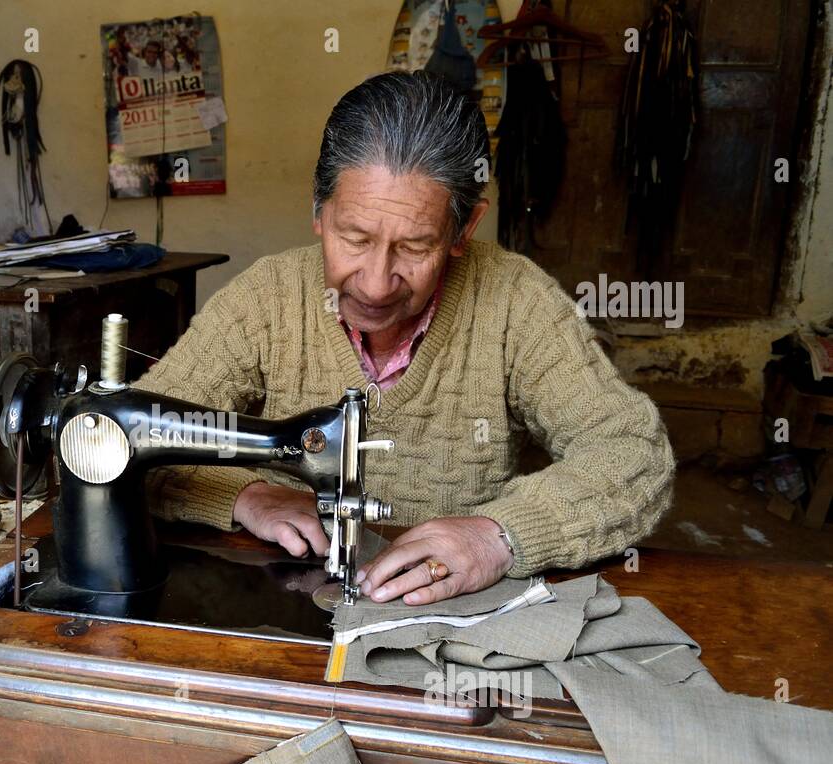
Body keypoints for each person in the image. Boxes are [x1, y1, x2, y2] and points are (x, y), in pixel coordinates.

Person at [133, 71, 675, 606]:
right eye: (355, 237)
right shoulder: (266, 298)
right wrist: (245, 495)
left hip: (447, 611)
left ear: (463, 230)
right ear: (319, 212)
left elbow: (633, 454)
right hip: (284, 597)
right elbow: (125, 437)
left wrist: (498, 536)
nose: (374, 282)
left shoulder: (516, 302)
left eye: (414, 247)